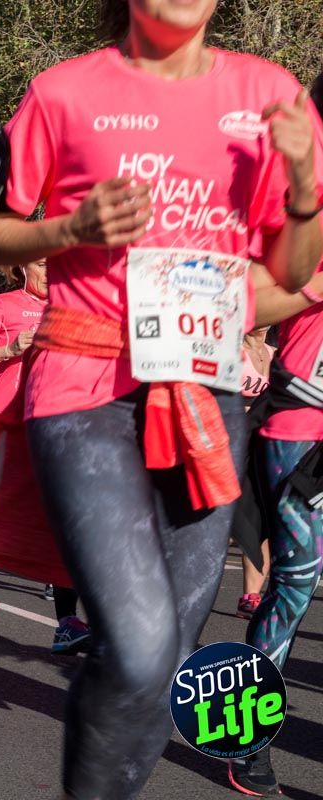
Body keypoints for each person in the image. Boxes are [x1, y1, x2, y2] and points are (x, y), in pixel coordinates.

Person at [0, 2, 323, 795]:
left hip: (205, 392)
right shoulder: (61, 91)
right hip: (83, 386)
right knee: (142, 643)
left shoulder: (271, 94)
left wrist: (302, 190)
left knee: (170, 658)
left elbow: (295, 272)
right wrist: (70, 228)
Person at [226, 76, 323, 795]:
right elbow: (250, 296)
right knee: (293, 583)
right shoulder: (307, 208)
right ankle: (248, 737)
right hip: (303, 429)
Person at [234, 326, 275, 619]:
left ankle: (251, 595)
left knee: (259, 518)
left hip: (262, 443)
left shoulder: (275, 354)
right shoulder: (233, 352)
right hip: (232, 440)